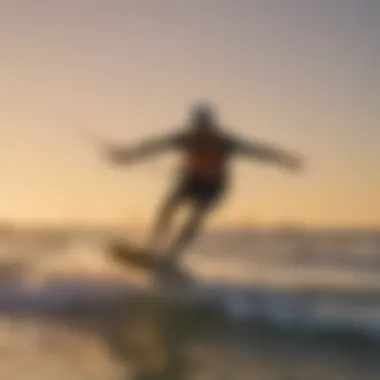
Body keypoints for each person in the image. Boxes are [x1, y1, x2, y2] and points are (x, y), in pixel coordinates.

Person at [105, 102, 303, 261]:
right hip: (190, 182)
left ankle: (172, 254)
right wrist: (126, 156)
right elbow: (153, 146)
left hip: (213, 187)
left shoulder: (224, 142)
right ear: (194, 124)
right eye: (198, 125)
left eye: (204, 125)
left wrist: (284, 159)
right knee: (167, 207)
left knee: (194, 218)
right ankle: (153, 245)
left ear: (211, 125)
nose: (200, 129)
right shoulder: (185, 137)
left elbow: (258, 151)